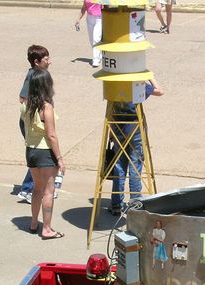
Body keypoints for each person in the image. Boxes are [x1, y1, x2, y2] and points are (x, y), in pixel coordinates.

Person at [22, 69, 66, 240]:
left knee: (37, 189)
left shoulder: (25, 105)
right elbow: (51, 135)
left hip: (31, 150)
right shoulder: (46, 107)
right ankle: (47, 228)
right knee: (49, 191)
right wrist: (60, 159)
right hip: (45, 152)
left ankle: (34, 222)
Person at [109, 79, 163, 215]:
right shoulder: (137, 84)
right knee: (135, 166)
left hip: (117, 125)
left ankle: (116, 203)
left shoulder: (113, 83)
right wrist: (150, 77)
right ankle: (135, 202)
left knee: (119, 166)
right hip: (134, 127)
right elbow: (159, 91)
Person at [18, 45, 61, 204]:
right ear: (36, 62)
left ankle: (32, 187)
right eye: (46, 59)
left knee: (39, 154)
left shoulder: (39, 74)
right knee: (41, 153)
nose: (49, 62)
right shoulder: (33, 76)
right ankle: (29, 189)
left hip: (37, 120)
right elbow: (22, 98)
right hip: (33, 122)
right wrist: (36, 113)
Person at [75, 0, 103, 68]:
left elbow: (106, 6)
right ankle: (99, 55)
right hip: (89, 18)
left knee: (96, 38)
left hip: (99, 18)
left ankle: (96, 60)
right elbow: (84, 7)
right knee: (91, 39)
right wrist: (78, 19)